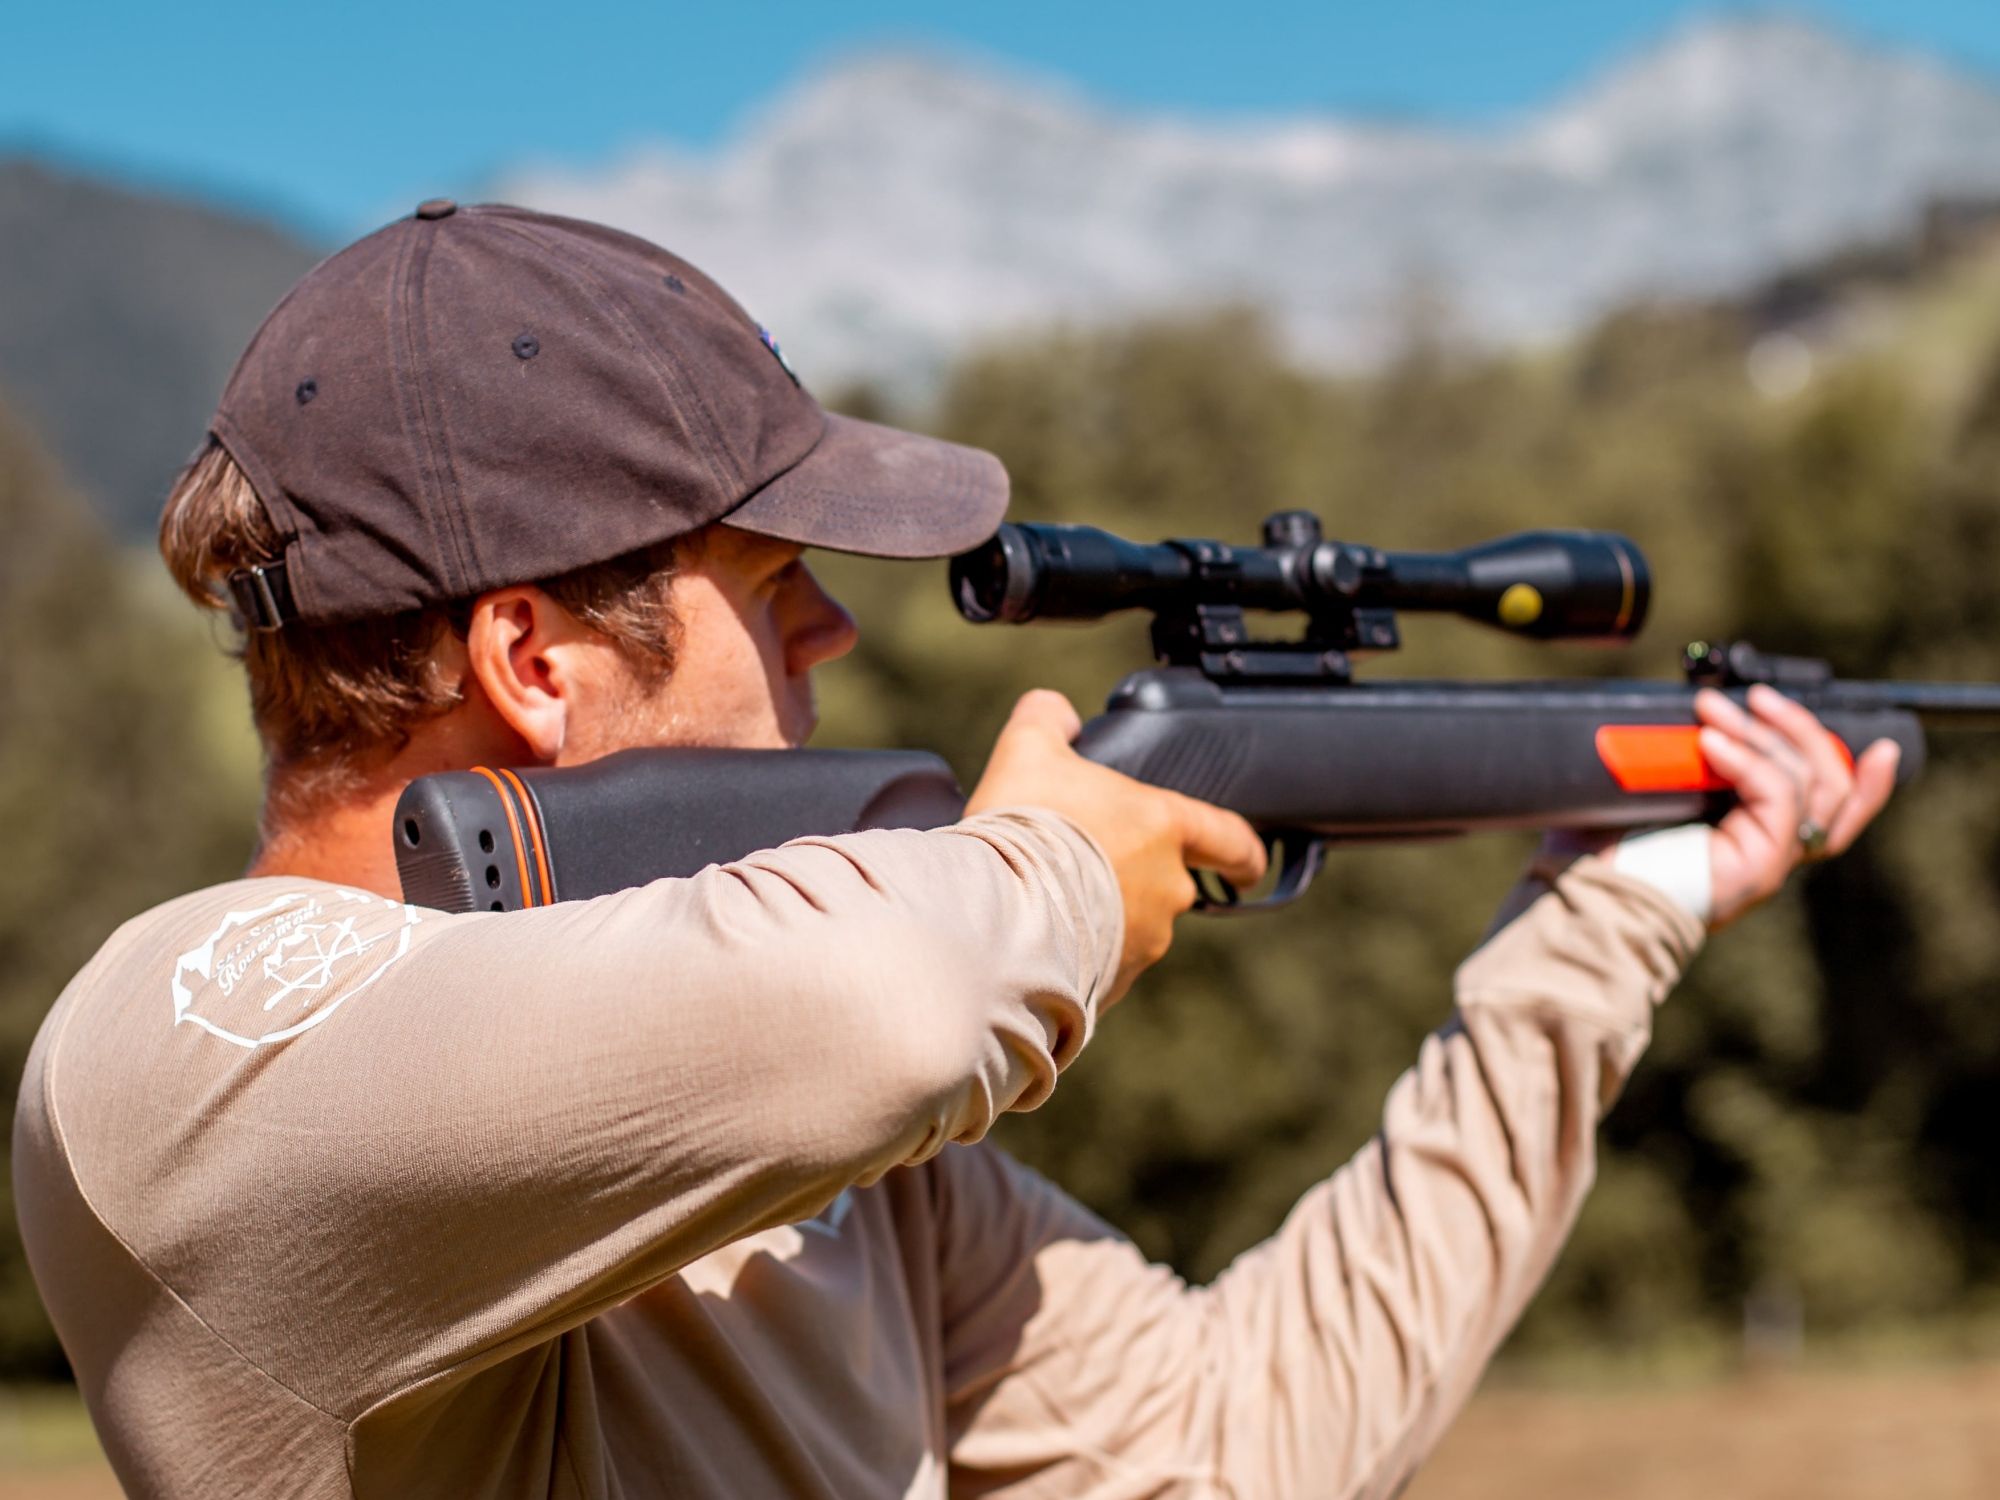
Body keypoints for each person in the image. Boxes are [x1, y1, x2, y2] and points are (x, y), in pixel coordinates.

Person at [11, 203, 1898, 1500]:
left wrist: (1603, 927)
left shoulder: (803, 1163)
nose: (833, 629)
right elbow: (893, 1004)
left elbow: (1229, 1445)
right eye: (773, 582)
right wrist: (1059, 868)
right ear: (536, 660)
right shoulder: (176, 1056)